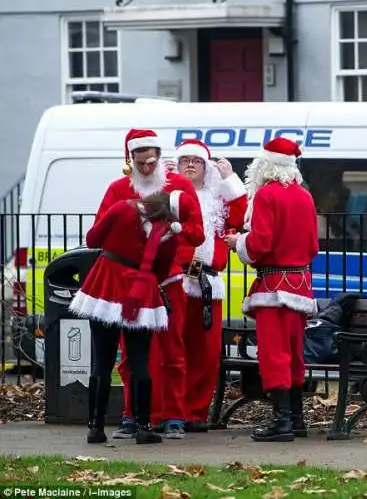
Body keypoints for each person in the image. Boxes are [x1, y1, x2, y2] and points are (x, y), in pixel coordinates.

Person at [96, 128, 205, 441]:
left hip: (168, 280)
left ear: (159, 157)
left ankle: (174, 415)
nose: (147, 168)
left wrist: (175, 228)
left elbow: (198, 232)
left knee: (173, 349)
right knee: (131, 356)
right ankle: (132, 415)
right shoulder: (118, 189)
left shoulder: (179, 186)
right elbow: (100, 230)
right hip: (131, 285)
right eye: (141, 162)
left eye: (151, 161)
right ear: (130, 159)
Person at [68, 191, 195, 445]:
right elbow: (162, 268)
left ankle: (95, 427)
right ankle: (143, 427)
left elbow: (93, 239)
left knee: (102, 362)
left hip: (107, 283)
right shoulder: (168, 233)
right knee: (140, 361)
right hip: (142, 291)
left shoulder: (122, 208)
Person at [225, 136, 319, 442]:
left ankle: (281, 424)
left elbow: (260, 243)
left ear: (264, 165)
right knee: (294, 355)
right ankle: (296, 419)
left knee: (273, 354)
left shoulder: (266, 196)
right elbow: (313, 246)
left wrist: (237, 242)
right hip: (300, 285)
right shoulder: (305, 196)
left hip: (274, 287)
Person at [172, 139, 247, 432]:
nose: (191, 164)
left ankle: (195, 412)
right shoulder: (172, 195)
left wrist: (229, 177)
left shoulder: (218, 198)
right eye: (185, 160)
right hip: (176, 281)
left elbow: (241, 213)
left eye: (197, 161)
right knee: (173, 350)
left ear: (206, 167)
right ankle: (171, 411)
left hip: (208, 283)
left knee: (205, 353)